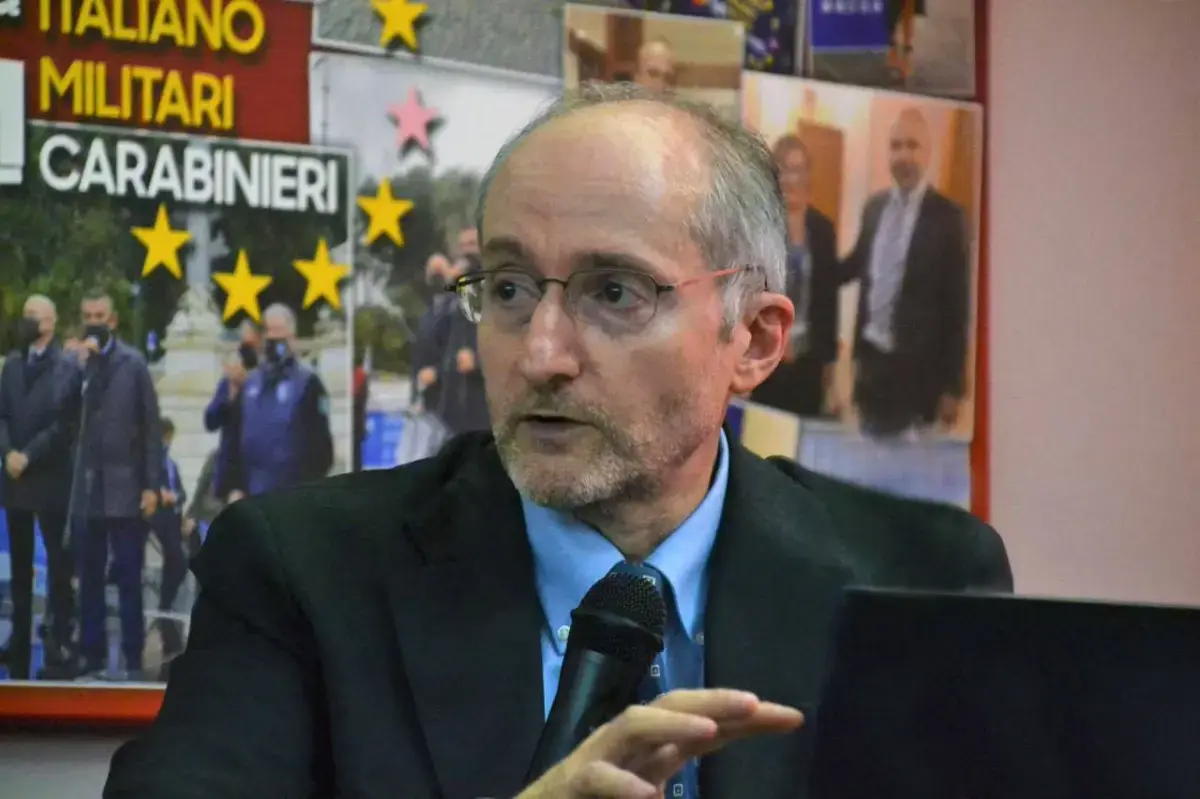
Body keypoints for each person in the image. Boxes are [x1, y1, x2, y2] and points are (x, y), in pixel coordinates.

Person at [104, 84, 1010, 798]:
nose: (540, 354)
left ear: (755, 341)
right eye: (507, 288)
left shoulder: (921, 581)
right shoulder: (300, 572)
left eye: (614, 292)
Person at [840, 107, 970, 438]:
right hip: (871, 363)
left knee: (906, 460)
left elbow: (957, 308)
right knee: (869, 443)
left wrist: (953, 387)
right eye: (896, 146)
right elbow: (855, 264)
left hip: (916, 374)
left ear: (928, 153)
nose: (903, 156)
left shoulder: (949, 218)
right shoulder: (874, 208)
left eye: (912, 145)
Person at [72, 288, 162, 681]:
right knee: (89, 578)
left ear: (112, 320)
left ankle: (132, 657)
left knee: (128, 577)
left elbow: (151, 428)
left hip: (127, 489)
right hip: (88, 488)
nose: (94, 322)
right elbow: (65, 412)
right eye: (88, 316)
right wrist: (78, 369)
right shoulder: (77, 364)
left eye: (100, 316)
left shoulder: (133, 363)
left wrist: (152, 485)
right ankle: (91, 655)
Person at [0, 295, 80, 679]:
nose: (27, 321)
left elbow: (64, 425)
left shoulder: (67, 366)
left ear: (51, 321)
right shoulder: (13, 365)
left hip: (49, 477)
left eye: (33, 315)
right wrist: (7, 453)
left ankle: (59, 640)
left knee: (58, 565)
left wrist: (28, 455)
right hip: (14, 478)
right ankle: (17, 641)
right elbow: (1, 415)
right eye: (25, 314)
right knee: (19, 568)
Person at [751, 135, 841, 418]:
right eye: (785, 170)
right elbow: (750, 291)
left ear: (808, 176)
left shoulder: (823, 230)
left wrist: (830, 363)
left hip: (809, 361)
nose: (793, 179)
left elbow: (828, 301)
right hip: (767, 356)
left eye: (799, 170)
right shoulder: (761, 227)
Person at [233, 304, 333, 497]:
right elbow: (235, 438)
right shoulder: (250, 384)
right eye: (269, 332)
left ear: (292, 339)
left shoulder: (309, 383)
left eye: (279, 332)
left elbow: (322, 450)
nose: (274, 339)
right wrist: (235, 487)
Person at [203, 320, 258, 503]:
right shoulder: (228, 384)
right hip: (231, 476)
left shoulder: (267, 381)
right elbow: (210, 421)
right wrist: (231, 395)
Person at [149, 417, 187, 675]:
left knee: (180, 561)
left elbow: (182, 493)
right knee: (177, 560)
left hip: (174, 517)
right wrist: (162, 495)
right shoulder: (154, 461)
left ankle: (166, 602)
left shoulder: (171, 464)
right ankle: (164, 605)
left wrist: (176, 497)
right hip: (160, 518)